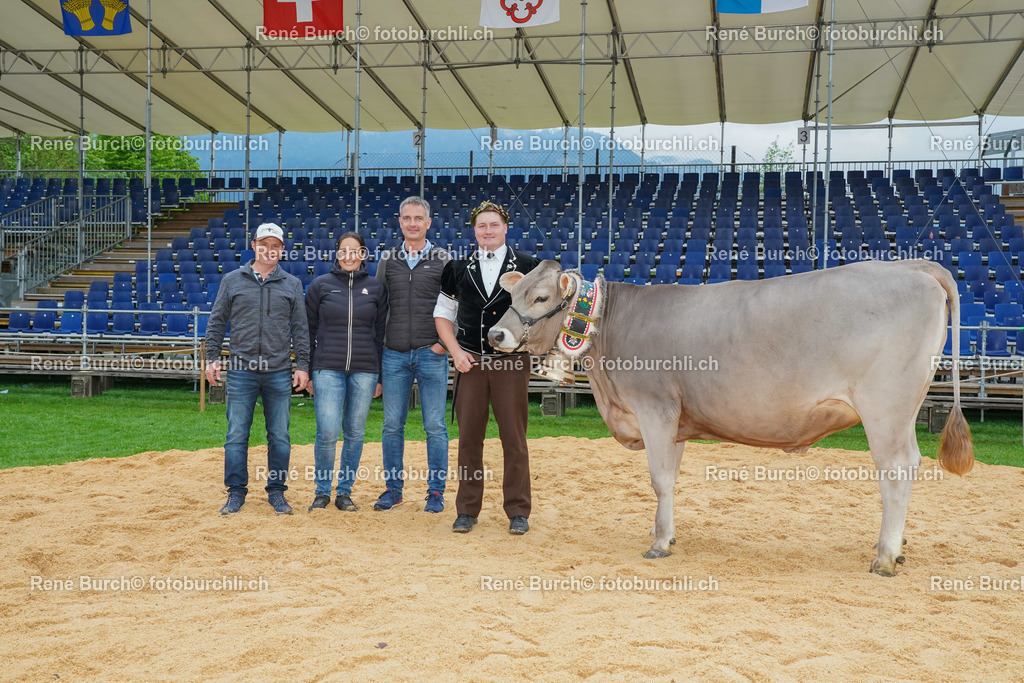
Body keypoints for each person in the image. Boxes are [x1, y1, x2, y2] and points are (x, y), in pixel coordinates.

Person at [434, 201, 540, 535]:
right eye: (482, 225)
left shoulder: (529, 266)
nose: (488, 230)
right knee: (469, 440)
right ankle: (467, 509)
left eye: (494, 225)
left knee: (514, 439)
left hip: (512, 363)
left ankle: (518, 511)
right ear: (474, 230)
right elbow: (442, 315)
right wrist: (456, 352)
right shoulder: (456, 267)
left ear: (505, 227)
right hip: (471, 363)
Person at [205, 222, 310, 516]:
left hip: (278, 371)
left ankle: (276, 492)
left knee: (280, 436)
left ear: (282, 249)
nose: (269, 250)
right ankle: (236, 492)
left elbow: (301, 329)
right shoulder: (232, 280)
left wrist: (302, 365)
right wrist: (212, 357)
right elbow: (217, 321)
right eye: (264, 244)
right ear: (253, 245)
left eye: (275, 245)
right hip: (241, 370)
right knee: (237, 435)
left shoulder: (292, 284)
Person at [373, 196, 452, 513]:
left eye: (419, 218)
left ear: (428, 222)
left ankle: (436, 492)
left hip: (431, 353)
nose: (413, 223)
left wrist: (443, 344)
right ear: (400, 222)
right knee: (392, 424)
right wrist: (380, 350)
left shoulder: (443, 259)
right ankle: (393, 490)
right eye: (407, 218)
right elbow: (379, 307)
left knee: (435, 425)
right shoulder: (388, 259)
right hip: (393, 354)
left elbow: (456, 305)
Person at [305, 231, 388, 513]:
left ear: (363, 254)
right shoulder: (320, 285)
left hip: (365, 371)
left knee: (354, 432)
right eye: (343, 251)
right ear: (337, 254)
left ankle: (344, 492)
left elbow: (381, 334)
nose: (349, 256)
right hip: (327, 368)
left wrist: (380, 376)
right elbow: (308, 331)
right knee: (327, 431)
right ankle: (321, 492)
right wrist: (308, 370)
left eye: (355, 251)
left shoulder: (376, 288)